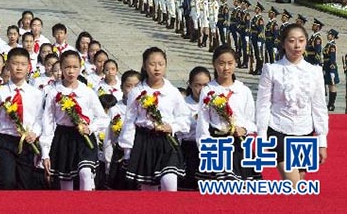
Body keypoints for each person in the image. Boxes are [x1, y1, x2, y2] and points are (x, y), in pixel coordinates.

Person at [256, 23, 328, 187]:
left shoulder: (314, 71)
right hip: (278, 128)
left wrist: (322, 142)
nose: (297, 45)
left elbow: (319, 107)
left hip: (305, 131)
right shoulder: (272, 70)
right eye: (292, 41)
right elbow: (262, 104)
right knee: (294, 185)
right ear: (283, 43)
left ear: (306, 43)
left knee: (300, 186)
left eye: (301, 41)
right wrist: (261, 138)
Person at [119, 47, 187, 191]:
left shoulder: (172, 92)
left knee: (170, 180)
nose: (157, 68)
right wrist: (128, 151)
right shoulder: (137, 92)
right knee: (148, 188)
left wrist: (172, 127)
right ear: (144, 66)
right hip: (145, 141)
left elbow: (184, 118)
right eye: (152, 64)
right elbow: (130, 122)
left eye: (161, 64)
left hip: (167, 142)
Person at [41, 50, 107, 191]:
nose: (71, 71)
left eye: (75, 67)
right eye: (67, 67)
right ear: (61, 68)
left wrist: (90, 128)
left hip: (84, 137)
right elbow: (47, 122)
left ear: (80, 67)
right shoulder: (54, 92)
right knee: (66, 182)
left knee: (85, 172)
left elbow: (103, 118)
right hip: (63, 137)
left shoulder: (87, 91)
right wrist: (45, 152)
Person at [196, 45, 258, 181]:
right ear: (214, 64)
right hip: (218, 145)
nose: (226, 68)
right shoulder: (208, 91)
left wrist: (244, 129)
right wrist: (204, 146)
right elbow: (203, 122)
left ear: (235, 63)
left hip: (239, 145)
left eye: (230, 63)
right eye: (221, 63)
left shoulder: (243, 90)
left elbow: (252, 121)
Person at [0, 47, 43, 190]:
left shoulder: (36, 94)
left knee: (24, 184)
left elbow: (39, 119)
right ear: (7, 66)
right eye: (15, 63)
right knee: (7, 181)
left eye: (23, 64)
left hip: (26, 142)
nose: (19, 67)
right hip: (6, 141)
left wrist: (35, 133)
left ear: (28, 67)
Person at [323, 29, 339, 111]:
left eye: (329, 34)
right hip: (326, 66)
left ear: (332, 36)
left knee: (332, 85)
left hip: (331, 67)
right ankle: (329, 103)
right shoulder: (328, 44)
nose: (327, 35)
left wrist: (332, 71)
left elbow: (332, 58)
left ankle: (332, 104)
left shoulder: (332, 46)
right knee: (329, 84)